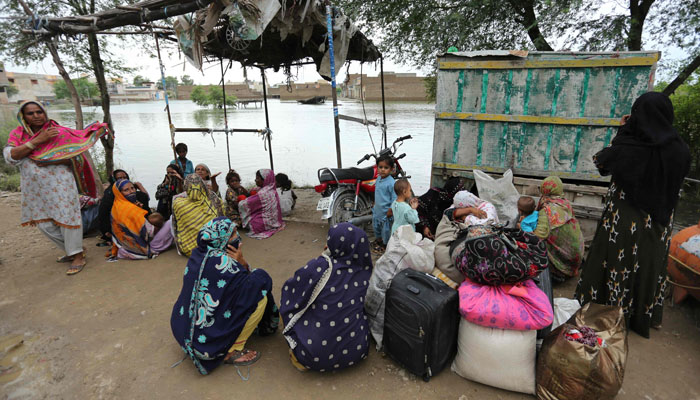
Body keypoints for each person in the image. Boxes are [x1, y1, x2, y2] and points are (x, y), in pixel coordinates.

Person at [576, 92, 690, 338]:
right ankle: (642, 317)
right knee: (648, 266)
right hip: (659, 222)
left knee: (617, 263)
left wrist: (624, 131)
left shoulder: (629, 146)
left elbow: (601, 163)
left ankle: (607, 313)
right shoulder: (681, 151)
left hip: (624, 222)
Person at [3, 101, 108, 275]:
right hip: (34, 189)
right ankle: (72, 250)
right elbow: (11, 157)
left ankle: (77, 256)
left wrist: (49, 160)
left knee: (68, 220)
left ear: (45, 113)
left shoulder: (59, 132)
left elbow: (76, 158)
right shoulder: (18, 134)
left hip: (61, 185)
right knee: (44, 224)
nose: (36, 116)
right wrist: (37, 141)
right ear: (23, 117)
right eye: (31, 113)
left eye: (39, 112)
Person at [171, 217, 279, 374]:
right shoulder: (224, 263)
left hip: (182, 332)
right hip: (206, 346)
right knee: (260, 288)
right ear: (221, 239)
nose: (238, 237)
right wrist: (242, 263)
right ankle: (233, 350)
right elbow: (249, 283)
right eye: (233, 234)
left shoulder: (198, 255)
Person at [281, 222, 372, 372]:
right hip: (358, 351)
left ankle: (300, 357)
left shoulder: (320, 266)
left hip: (314, 356)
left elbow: (292, 288)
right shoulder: (362, 271)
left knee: (297, 302)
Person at [432, 192, 495, 286]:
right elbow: (448, 214)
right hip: (447, 245)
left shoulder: (484, 210)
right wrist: (470, 210)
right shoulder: (452, 211)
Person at [532, 176, 584, 282]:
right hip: (576, 255)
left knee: (533, 244)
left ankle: (557, 273)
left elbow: (539, 235)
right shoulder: (564, 203)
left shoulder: (547, 210)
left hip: (565, 261)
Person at [109, 179, 173, 260]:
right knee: (171, 221)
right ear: (119, 193)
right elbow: (149, 233)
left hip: (124, 247)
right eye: (126, 190)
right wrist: (160, 226)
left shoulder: (115, 207)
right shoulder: (131, 209)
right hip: (141, 249)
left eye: (132, 188)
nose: (131, 192)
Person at [172, 174, 225, 257]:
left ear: (186, 187)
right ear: (202, 186)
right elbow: (223, 219)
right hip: (216, 246)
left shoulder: (178, 203)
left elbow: (175, 225)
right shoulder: (215, 200)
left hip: (190, 250)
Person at [97, 169, 150, 243]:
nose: (123, 179)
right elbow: (103, 215)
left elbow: (146, 200)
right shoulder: (110, 194)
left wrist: (140, 187)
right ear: (114, 180)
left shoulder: (135, 193)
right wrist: (106, 231)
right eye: (119, 178)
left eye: (125, 177)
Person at [238, 169, 285, 239]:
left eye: (257, 178)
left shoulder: (262, 193)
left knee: (251, 222)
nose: (255, 180)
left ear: (264, 180)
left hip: (265, 222)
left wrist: (240, 199)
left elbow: (244, 205)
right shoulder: (272, 190)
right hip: (274, 221)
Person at [372, 155, 396, 252]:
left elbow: (394, 198)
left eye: (386, 168)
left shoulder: (391, 183)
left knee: (386, 231)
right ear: (377, 167)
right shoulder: (378, 179)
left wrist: (391, 209)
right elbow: (378, 192)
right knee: (376, 227)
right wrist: (375, 202)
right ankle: (379, 241)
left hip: (386, 213)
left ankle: (385, 245)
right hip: (377, 211)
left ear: (391, 169)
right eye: (380, 167)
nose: (382, 170)